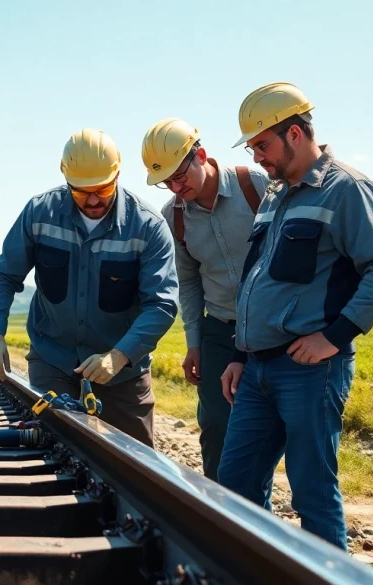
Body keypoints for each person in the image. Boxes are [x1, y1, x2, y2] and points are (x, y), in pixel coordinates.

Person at [217, 82, 373, 549]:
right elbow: (256, 278)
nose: (257, 157)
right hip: (257, 368)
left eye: (262, 145)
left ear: (295, 134)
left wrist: (334, 336)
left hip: (310, 370)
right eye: (252, 148)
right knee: (235, 487)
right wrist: (240, 354)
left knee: (312, 493)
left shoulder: (348, 190)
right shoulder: (275, 195)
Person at [0, 128, 179, 447]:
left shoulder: (148, 227)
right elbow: (4, 275)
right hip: (53, 363)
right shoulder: (38, 213)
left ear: (117, 175)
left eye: (103, 188)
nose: (94, 199)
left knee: (135, 466)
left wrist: (119, 355)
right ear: (66, 180)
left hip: (124, 375)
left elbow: (162, 304)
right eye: (82, 192)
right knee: (48, 448)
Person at [141, 118, 269, 483]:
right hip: (220, 331)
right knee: (216, 424)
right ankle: (219, 509)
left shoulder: (256, 186)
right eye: (167, 182)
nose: (175, 188)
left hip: (274, 327)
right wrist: (194, 344)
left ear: (201, 155)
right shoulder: (174, 216)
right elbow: (189, 283)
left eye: (180, 177)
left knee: (272, 426)